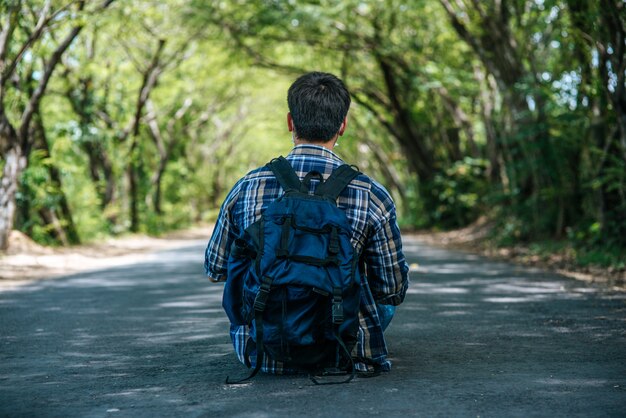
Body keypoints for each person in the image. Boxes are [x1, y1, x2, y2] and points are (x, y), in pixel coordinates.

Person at [204, 71, 409, 374]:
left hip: (260, 352)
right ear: (343, 126)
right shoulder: (372, 194)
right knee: (381, 302)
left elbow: (216, 269)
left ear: (290, 122)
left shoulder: (247, 186)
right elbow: (391, 290)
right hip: (344, 352)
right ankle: (351, 342)